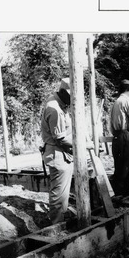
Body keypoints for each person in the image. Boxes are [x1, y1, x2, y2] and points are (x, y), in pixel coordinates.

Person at [41, 78, 73, 224]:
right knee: (58, 195)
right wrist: (81, 147)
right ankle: (56, 227)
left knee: (63, 193)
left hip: (62, 153)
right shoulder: (55, 109)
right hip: (58, 154)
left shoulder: (60, 103)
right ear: (64, 92)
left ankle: (61, 222)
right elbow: (60, 138)